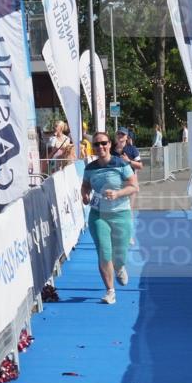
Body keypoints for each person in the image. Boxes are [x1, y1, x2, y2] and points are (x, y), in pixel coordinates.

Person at [81, 131, 139, 305]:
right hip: (98, 215)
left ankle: (119, 266)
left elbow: (134, 187)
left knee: (119, 254)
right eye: (96, 144)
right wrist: (85, 194)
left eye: (104, 143)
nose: (100, 147)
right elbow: (85, 185)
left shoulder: (120, 164)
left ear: (109, 145)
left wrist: (117, 193)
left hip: (120, 214)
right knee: (104, 252)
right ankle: (110, 291)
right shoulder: (90, 168)